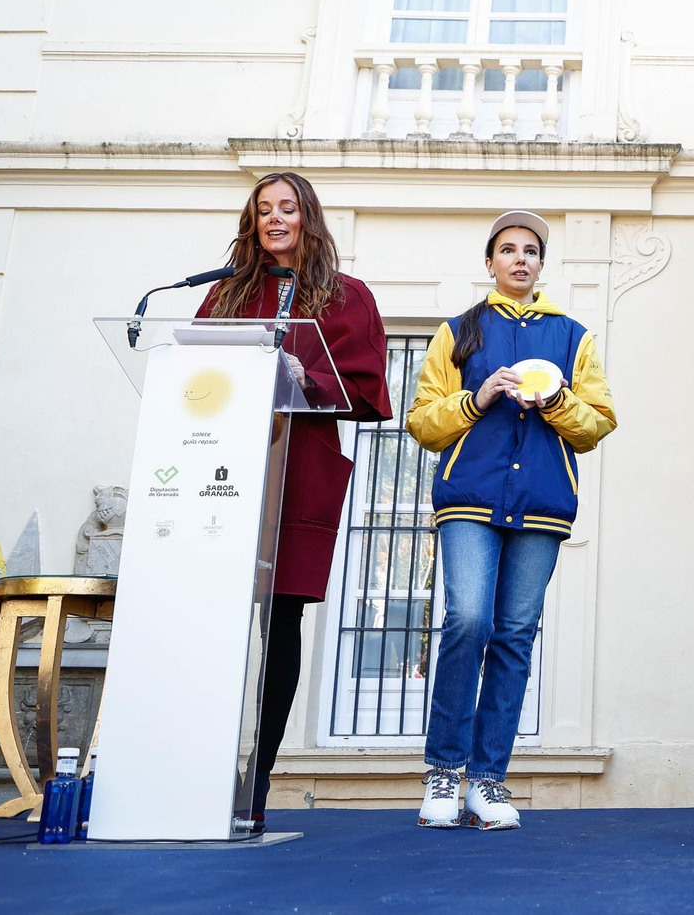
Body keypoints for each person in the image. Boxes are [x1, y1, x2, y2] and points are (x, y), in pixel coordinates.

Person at [406, 211, 616, 830]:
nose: (520, 259)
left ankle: (487, 782)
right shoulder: (458, 331)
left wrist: (556, 400)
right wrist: (477, 399)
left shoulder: (573, 337)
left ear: (542, 264)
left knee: (515, 635)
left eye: (530, 250)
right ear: (490, 262)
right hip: (469, 499)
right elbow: (422, 421)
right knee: (468, 620)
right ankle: (444, 772)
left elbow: (598, 424)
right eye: (508, 250)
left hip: (542, 504)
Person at [197, 171, 392, 831]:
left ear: (308, 216)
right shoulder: (226, 292)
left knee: (279, 622)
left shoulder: (345, 295)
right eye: (263, 210)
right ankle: (197, 767)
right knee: (215, 619)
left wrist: (310, 379)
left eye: (287, 207)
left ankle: (256, 780)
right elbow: (194, 371)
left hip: (298, 466)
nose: (275, 219)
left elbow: (366, 390)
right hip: (221, 470)